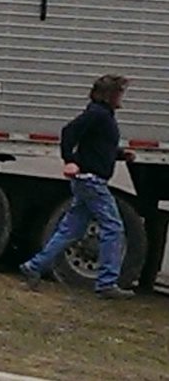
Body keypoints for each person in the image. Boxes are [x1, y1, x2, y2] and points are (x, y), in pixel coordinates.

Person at [19, 74, 137, 299]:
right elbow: (68, 132)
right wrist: (69, 160)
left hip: (87, 180)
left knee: (70, 229)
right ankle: (107, 282)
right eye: (120, 92)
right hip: (92, 180)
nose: (122, 97)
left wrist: (120, 155)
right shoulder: (97, 114)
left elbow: (97, 147)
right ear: (109, 95)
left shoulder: (103, 115)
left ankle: (34, 266)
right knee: (113, 227)